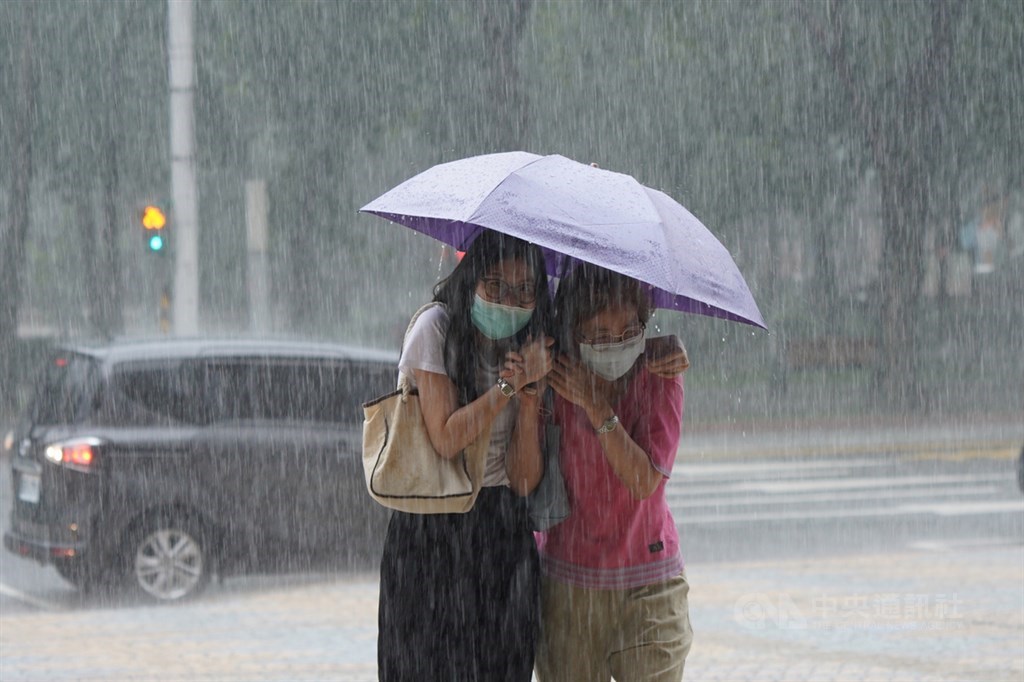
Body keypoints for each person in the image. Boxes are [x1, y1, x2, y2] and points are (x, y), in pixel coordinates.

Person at [377, 229, 554, 681]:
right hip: (432, 531)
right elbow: (447, 438)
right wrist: (507, 387)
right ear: (470, 279)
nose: (509, 300)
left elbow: (522, 480)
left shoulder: (533, 347)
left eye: (524, 290)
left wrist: (530, 399)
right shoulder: (434, 328)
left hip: (502, 532)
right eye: (495, 285)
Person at [533, 263, 693, 682]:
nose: (617, 346)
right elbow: (524, 474)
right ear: (574, 332)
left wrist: (597, 406)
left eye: (628, 333)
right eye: (600, 337)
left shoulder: (660, 373)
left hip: (650, 583)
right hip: (569, 586)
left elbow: (643, 481)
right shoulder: (554, 376)